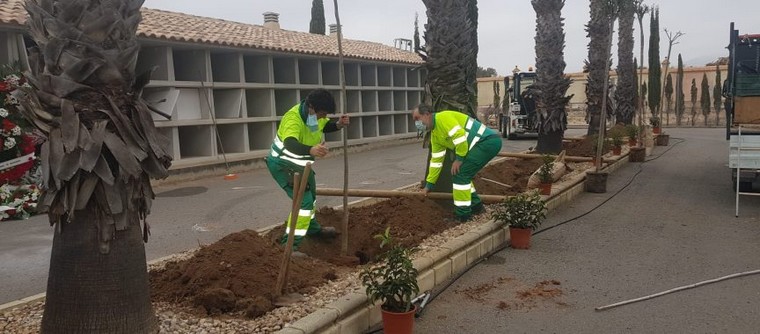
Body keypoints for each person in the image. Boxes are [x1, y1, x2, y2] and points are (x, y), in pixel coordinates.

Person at [267, 89, 349, 248]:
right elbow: (290, 143)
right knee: (304, 203)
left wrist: (339, 125)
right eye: (322, 113)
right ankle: (289, 246)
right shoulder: (293, 118)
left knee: (311, 197)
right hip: (283, 164)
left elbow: (323, 127)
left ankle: (312, 229)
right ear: (311, 107)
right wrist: (311, 150)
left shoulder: (313, 116)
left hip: (301, 164)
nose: (324, 117)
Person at [412, 104, 502, 222]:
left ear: (427, 114)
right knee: (462, 175)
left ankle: (463, 215)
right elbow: (436, 162)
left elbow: (460, 137)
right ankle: (476, 207)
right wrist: (429, 185)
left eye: (417, 118)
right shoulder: (435, 134)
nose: (416, 123)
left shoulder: (443, 119)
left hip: (487, 142)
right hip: (483, 143)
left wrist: (459, 159)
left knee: (460, 174)